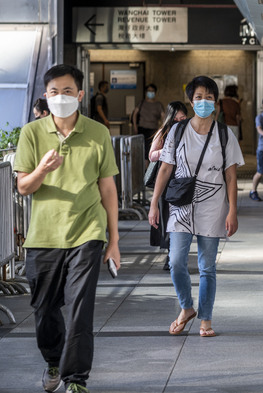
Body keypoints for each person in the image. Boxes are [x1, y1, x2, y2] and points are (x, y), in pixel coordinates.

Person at [13, 64, 120, 393]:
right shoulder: (32, 133)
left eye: (68, 91)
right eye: (55, 92)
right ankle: (53, 361)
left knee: (79, 309)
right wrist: (43, 169)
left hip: (87, 232)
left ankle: (76, 379)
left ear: (81, 95)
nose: (61, 97)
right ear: (46, 96)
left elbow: (107, 190)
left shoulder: (97, 133)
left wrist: (113, 240)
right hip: (43, 235)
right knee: (44, 310)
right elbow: (23, 187)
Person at [148, 76, 244, 337]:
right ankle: (186, 307)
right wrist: (154, 203)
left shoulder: (225, 135)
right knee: (176, 260)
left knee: (207, 266)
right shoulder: (179, 131)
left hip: (213, 206)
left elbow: (232, 176)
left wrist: (233, 210)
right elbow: (165, 167)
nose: (204, 101)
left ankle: (206, 319)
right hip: (181, 206)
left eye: (209, 97)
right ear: (191, 101)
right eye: (199, 97)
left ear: (216, 102)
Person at [148, 101, 188, 271]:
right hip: (167, 182)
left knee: (182, 219)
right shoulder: (163, 133)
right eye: (175, 119)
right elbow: (151, 155)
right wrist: (167, 151)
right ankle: (171, 256)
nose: (179, 121)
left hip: (185, 182)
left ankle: (177, 256)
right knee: (168, 218)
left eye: (183, 118)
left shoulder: (190, 132)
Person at [132, 83, 165, 161]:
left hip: (153, 130)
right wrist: (135, 126)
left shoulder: (158, 105)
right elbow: (134, 114)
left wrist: (163, 129)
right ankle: (143, 169)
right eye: (149, 91)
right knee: (142, 150)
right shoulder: (141, 103)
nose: (150, 92)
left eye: (152, 91)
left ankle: (149, 169)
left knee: (151, 150)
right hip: (142, 129)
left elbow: (163, 117)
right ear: (146, 92)